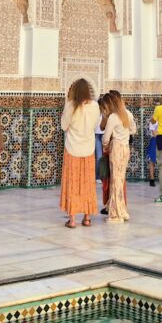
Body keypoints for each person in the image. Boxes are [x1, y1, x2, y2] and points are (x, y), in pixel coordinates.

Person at [60, 78, 101, 227]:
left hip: (72, 149)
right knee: (87, 183)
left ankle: (72, 220)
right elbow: (96, 125)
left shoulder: (70, 106)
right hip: (88, 149)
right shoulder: (95, 106)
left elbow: (64, 126)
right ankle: (87, 217)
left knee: (73, 182)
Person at [101, 92, 135, 223]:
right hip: (125, 148)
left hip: (116, 148)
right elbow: (133, 130)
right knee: (120, 180)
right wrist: (124, 134)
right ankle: (120, 210)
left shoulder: (113, 117)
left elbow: (105, 138)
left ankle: (116, 213)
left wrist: (106, 145)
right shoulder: (127, 114)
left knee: (115, 180)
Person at [146, 118, 158, 187]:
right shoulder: (153, 120)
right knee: (152, 160)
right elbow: (154, 133)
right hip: (154, 140)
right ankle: (152, 179)